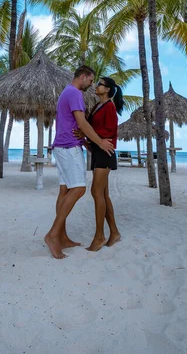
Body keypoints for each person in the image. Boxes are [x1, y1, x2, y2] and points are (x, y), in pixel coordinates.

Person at [44, 65, 115, 259]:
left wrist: (85, 141)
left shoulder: (67, 92)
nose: (92, 84)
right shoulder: (75, 93)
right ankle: (52, 235)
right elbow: (81, 122)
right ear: (83, 77)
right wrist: (99, 141)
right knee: (79, 189)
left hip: (62, 145)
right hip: (68, 147)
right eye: (91, 80)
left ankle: (62, 236)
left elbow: (71, 123)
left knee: (65, 189)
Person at [79, 77, 123, 252]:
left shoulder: (110, 106)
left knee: (96, 192)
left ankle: (99, 236)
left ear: (107, 90)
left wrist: (88, 134)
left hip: (106, 151)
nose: (96, 86)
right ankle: (114, 232)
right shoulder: (98, 106)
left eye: (100, 85)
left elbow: (110, 130)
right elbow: (91, 127)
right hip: (98, 150)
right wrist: (87, 140)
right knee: (103, 194)